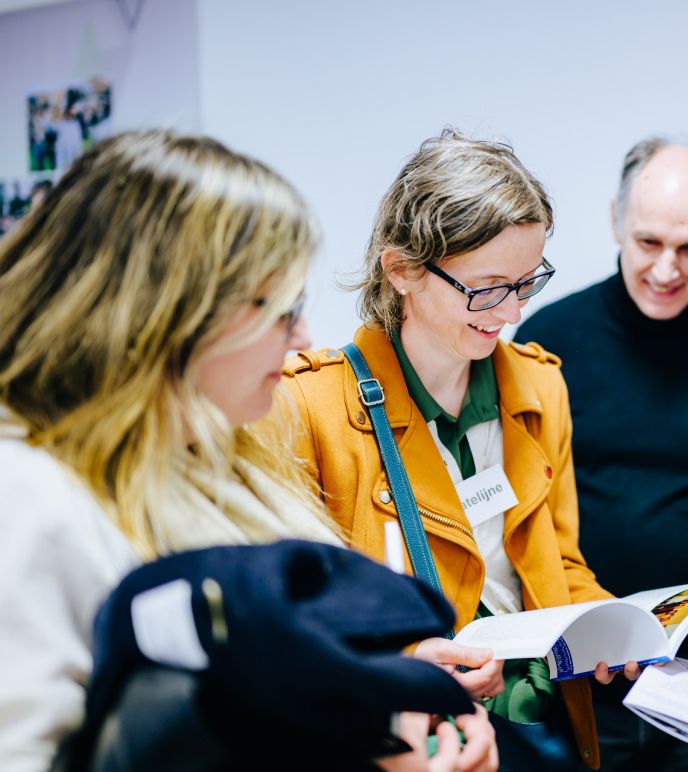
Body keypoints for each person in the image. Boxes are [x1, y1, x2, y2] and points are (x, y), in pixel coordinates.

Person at [0, 130, 496, 772]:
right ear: (175, 315)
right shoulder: (30, 502)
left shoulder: (218, 457)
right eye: (281, 311)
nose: (304, 338)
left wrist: (374, 685)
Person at [277, 129, 635, 771]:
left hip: (544, 727)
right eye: (488, 287)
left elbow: (558, 563)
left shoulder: (540, 386)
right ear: (403, 271)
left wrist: (609, 620)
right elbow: (296, 624)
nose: (512, 314)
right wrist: (410, 665)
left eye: (528, 284)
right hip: (418, 742)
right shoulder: (315, 409)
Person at [514, 138, 688, 770]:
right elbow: (524, 510)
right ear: (616, 219)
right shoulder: (548, 342)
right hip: (579, 661)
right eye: (648, 242)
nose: (667, 269)